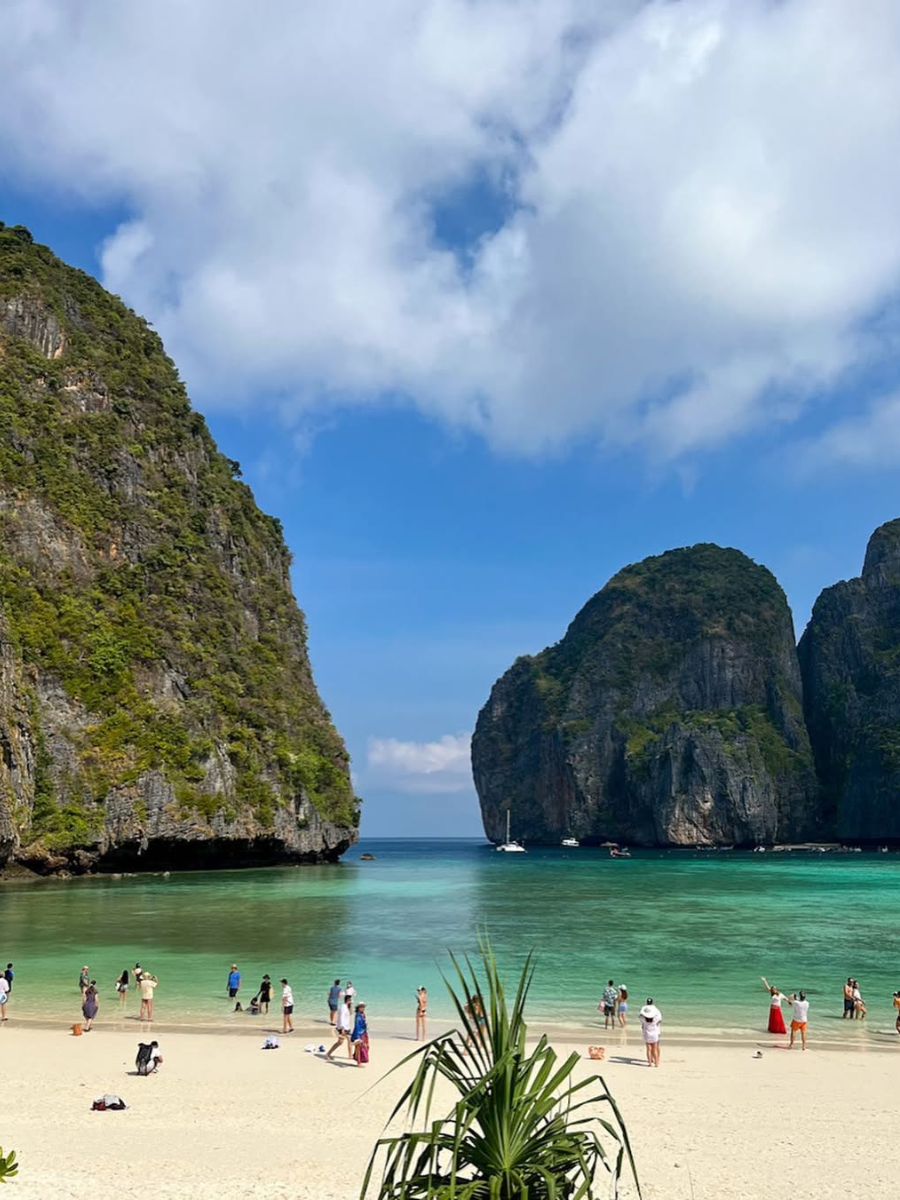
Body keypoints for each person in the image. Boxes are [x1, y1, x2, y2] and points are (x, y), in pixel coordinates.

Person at [639, 998, 662, 1067]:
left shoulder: (644, 1020)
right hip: (655, 1034)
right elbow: (659, 1019)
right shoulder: (655, 1015)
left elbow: (640, 1017)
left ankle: (650, 1062)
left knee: (648, 1049)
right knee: (655, 1048)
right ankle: (657, 1062)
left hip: (647, 1035)